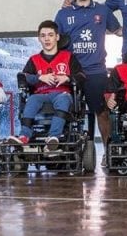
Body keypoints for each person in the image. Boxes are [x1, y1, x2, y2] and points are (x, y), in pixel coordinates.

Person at [55, 0, 122, 167]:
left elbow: (119, 30)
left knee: (101, 112)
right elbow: (53, 41)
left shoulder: (102, 11)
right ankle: (65, 154)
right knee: (68, 112)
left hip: (96, 72)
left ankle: (108, 151)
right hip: (70, 73)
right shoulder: (63, 13)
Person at [8, 20, 85, 154]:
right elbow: (23, 77)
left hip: (61, 93)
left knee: (63, 99)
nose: (47, 39)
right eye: (43, 36)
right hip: (40, 95)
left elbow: (82, 76)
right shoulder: (34, 59)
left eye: (50, 35)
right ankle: (24, 136)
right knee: (31, 100)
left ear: (57, 37)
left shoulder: (68, 57)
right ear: (39, 38)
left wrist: (67, 78)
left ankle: (53, 138)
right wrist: (39, 77)